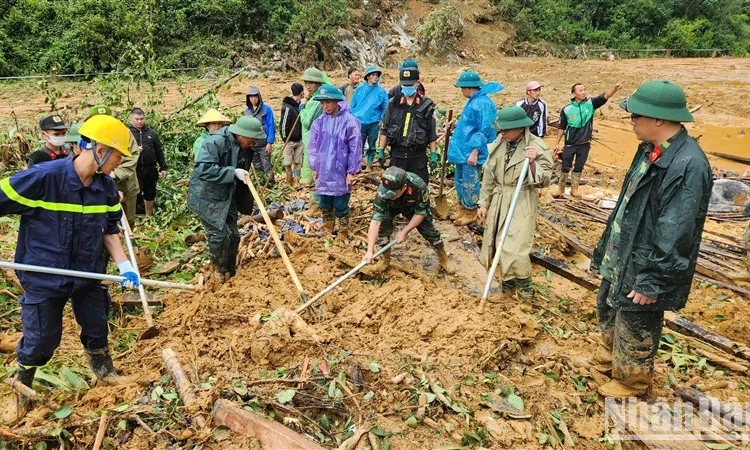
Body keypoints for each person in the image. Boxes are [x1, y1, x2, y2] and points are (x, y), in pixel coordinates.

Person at [2, 114, 140, 416]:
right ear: (100, 150)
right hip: (44, 274)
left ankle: (104, 372)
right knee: (41, 341)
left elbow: (110, 231)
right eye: (118, 155)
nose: (120, 162)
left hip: (88, 272)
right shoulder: (43, 178)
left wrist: (124, 266)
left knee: (96, 324)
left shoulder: (105, 189)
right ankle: (22, 381)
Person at [589, 80, 712, 398]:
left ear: (658, 119)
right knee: (609, 301)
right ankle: (610, 355)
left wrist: (653, 280)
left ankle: (632, 381)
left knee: (636, 317)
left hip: (646, 259)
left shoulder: (688, 165)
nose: (631, 122)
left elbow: (677, 231)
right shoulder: (649, 150)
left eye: (635, 116)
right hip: (625, 246)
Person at [477, 106, 553, 299]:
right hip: (499, 198)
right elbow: (489, 175)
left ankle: (526, 293)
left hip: (522, 199)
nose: (502, 134)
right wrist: (484, 202)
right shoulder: (499, 143)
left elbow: (544, 180)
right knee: (496, 245)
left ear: (520, 128)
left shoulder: (536, 146)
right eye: (500, 130)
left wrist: (533, 163)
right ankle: (507, 290)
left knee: (516, 249)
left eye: (506, 130)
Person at [187, 116, 266, 283]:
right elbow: (203, 169)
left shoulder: (244, 147)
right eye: (251, 140)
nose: (252, 144)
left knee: (234, 236)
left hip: (227, 194)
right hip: (206, 195)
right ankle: (218, 272)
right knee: (220, 235)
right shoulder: (215, 142)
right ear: (241, 135)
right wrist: (232, 172)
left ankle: (230, 272)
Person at [362, 166, 455, 274]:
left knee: (430, 231)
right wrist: (369, 250)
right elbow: (375, 222)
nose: (389, 196)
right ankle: (385, 260)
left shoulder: (419, 186)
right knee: (382, 229)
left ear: (404, 187)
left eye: (393, 193)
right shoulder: (383, 192)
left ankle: (444, 259)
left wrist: (405, 231)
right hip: (390, 207)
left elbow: (420, 213)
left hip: (412, 207)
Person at [447, 71, 503, 226]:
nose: (461, 91)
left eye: (462, 88)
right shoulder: (473, 100)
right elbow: (469, 125)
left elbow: (484, 129)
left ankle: (471, 211)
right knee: (460, 180)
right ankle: (462, 208)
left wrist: (475, 151)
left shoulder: (483, 104)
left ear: (468, 87)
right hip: (463, 150)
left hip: (471, 151)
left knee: (470, 182)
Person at [553, 81, 623, 198]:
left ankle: (574, 189)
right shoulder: (566, 109)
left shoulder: (591, 104)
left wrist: (615, 88)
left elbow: (605, 96)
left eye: (584, 89)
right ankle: (560, 189)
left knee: (579, 166)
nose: (583, 92)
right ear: (574, 93)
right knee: (565, 166)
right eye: (580, 90)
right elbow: (561, 127)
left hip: (585, 143)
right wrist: (557, 143)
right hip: (570, 144)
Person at [307, 85, 362, 236]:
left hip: (341, 170)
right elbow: (313, 147)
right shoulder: (319, 122)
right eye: (323, 103)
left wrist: (351, 171)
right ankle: (327, 227)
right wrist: (315, 167)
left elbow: (355, 148)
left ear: (336, 101)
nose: (326, 106)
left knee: (341, 202)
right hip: (324, 169)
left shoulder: (349, 121)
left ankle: (343, 229)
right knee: (324, 201)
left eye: (329, 102)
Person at [377, 65, 437, 184]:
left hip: (417, 157)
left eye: (410, 85)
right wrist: (381, 150)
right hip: (397, 156)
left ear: (417, 83)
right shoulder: (393, 103)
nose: (407, 88)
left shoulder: (426, 105)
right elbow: (385, 129)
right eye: (404, 85)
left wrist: (434, 154)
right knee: (395, 188)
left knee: (418, 188)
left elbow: (431, 133)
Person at [89, 105, 141, 228]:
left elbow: (133, 155)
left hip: (125, 185)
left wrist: (115, 174)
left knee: (128, 219)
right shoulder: (87, 135)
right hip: (96, 185)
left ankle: (129, 244)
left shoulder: (123, 133)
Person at [129, 107, 167, 217]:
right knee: (134, 194)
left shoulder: (151, 133)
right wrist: (134, 150)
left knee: (150, 192)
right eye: (137, 119)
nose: (140, 121)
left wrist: (163, 167)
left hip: (150, 169)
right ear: (131, 118)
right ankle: (132, 217)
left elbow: (159, 151)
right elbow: (120, 151)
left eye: (142, 119)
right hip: (133, 169)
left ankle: (148, 216)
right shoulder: (127, 133)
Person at [350, 65, 389, 171]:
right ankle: (357, 165)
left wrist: (382, 118)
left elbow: (385, 107)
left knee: (372, 143)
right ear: (367, 77)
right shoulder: (359, 89)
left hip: (374, 122)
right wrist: (353, 117)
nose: (375, 77)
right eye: (373, 75)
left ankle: (369, 165)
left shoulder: (381, 91)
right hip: (360, 121)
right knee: (359, 144)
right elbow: (353, 104)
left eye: (376, 75)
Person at [299, 67, 330, 187]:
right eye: (306, 83)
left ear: (318, 84)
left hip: (312, 135)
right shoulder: (314, 98)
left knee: (310, 158)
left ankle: (308, 182)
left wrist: (302, 107)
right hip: (312, 136)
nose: (308, 86)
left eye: (311, 83)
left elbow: (307, 122)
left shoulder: (317, 101)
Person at [244, 87, 276, 185]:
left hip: (264, 143)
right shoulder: (247, 111)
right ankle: (261, 184)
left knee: (266, 164)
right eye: (251, 97)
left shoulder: (267, 110)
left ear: (259, 97)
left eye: (255, 97)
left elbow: (271, 126)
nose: (253, 99)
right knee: (257, 165)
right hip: (252, 143)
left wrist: (270, 142)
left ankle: (270, 183)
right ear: (248, 98)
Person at [280, 83, 305, 185]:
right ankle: (288, 181)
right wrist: (285, 139)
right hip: (289, 140)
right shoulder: (287, 107)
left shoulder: (301, 106)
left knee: (298, 162)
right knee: (287, 163)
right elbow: (283, 124)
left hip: (299, 140)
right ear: (301, 93)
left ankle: (297, 181)